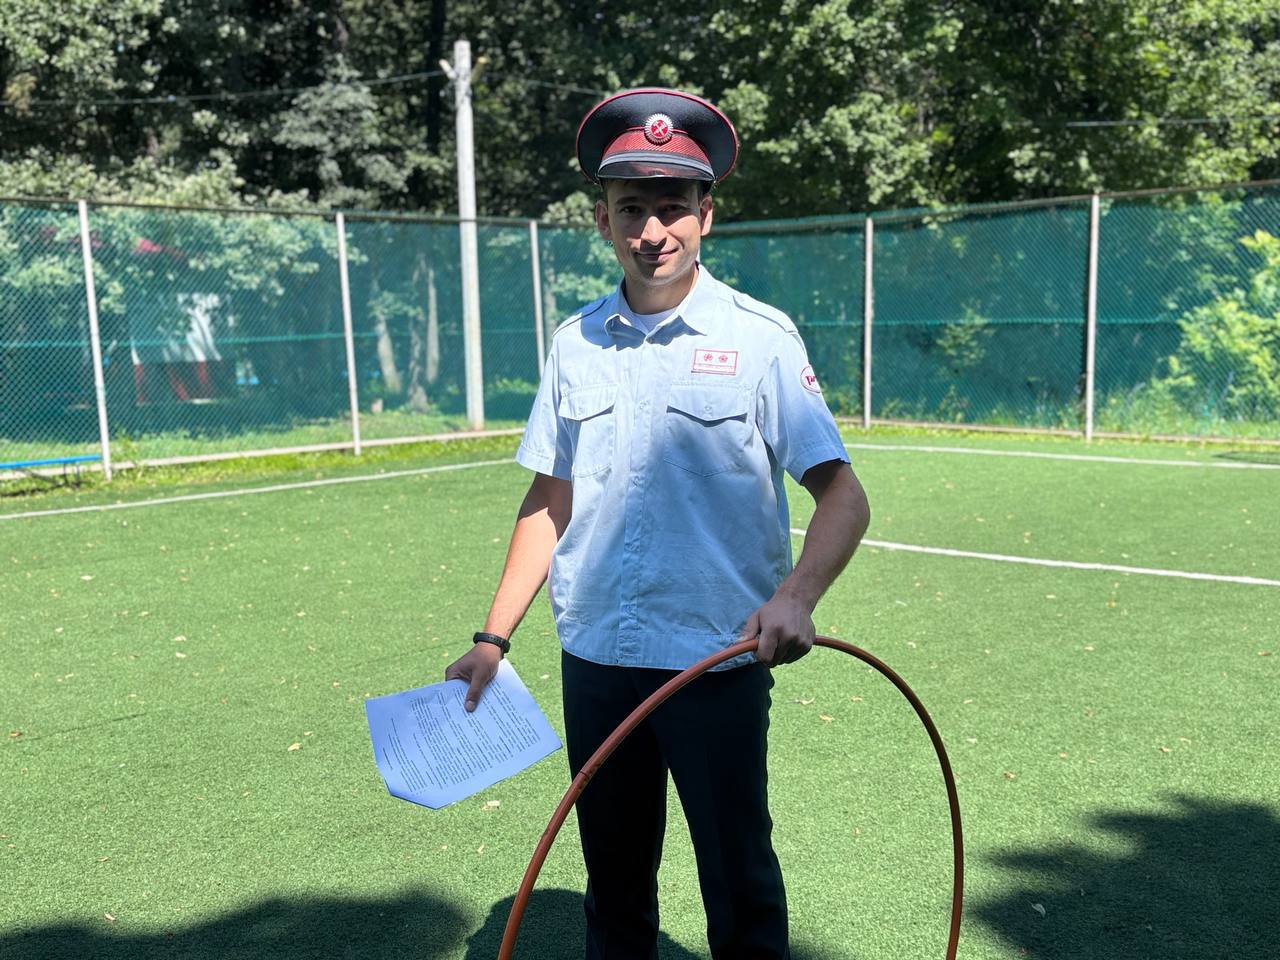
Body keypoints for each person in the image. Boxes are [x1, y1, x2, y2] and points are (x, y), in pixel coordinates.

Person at [444, 88, 871, 959]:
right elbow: (550, 499)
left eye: (672, 206)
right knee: (614, 889)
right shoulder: (575, 342)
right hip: (598, 659)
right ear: (603, 219)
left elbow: (843, 496)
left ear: (706, 214)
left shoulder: (761, 338)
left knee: (739, 884)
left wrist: (796, 596)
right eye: (631, 208)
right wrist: (492, 638)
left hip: (715, 659)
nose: (653, 230)